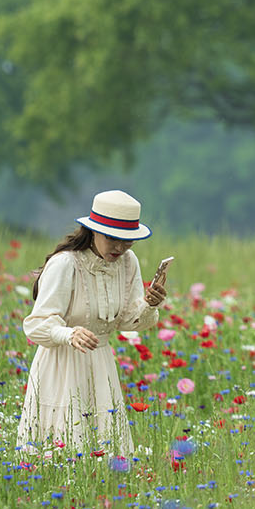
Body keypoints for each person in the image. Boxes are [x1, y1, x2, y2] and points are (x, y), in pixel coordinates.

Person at [15, 190, 168, 458]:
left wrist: (149, 304)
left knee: (105, 449)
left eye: (127, 242)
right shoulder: (66, 264)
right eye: (112, 239)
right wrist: (68, 334)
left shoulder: (128, 263)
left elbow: (127, 321)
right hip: (62, 363)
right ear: (93, 230)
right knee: (61, 446)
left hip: (101, 363)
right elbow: (36, 324)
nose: (119, 249)